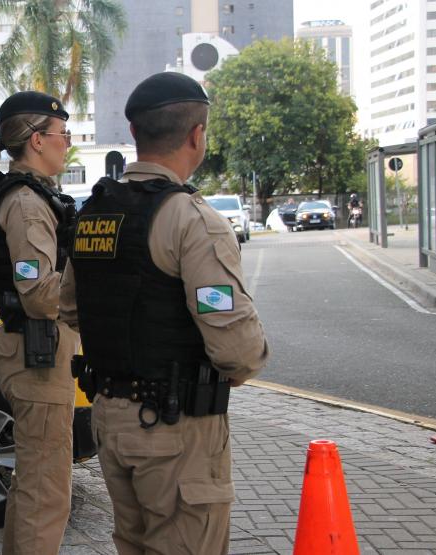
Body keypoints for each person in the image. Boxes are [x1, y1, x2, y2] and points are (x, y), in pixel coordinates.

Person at [69, 72, 270, 555]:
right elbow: (237, 351)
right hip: (175, 429)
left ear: (135, 133)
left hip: (111, 420)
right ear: (197, 135)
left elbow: (68, 305)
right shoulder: (194, 221)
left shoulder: (95, 214)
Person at [0, 91, 80, 555]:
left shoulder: (31, 196)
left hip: (37, 354)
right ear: (37, 140)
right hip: (38, 355)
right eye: (62, 135)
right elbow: (38, 296)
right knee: (46, 490)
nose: (68, 143)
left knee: (34, 484)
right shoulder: (27, 204)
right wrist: (91, 288)